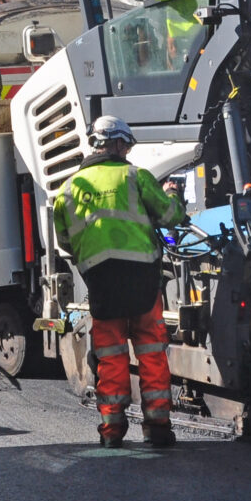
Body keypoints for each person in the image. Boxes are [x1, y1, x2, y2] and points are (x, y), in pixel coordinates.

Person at [49, 115, 189, 448]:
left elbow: (66, 242)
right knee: (152, 350)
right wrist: (173, 196)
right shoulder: (135, 176)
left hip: (103, 283)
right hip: (142, 280)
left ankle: (112, 431)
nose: (127, 151)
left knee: (110, 354)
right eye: (125, 145)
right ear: (117, 143)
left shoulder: (68, 191)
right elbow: (171, 216)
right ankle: (157, 428)